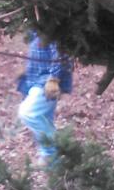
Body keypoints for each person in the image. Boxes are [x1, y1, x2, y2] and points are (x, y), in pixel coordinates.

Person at [16, 31, 73, 167]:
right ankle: (51, 160)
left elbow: (61, 54)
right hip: (35, 80)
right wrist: (27, 70)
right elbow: (37, 49)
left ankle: (54, 151)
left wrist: (54, 78)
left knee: (28, 113)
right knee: (43, 118)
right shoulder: (36, 27)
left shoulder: (50, 26)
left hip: (47, 83)